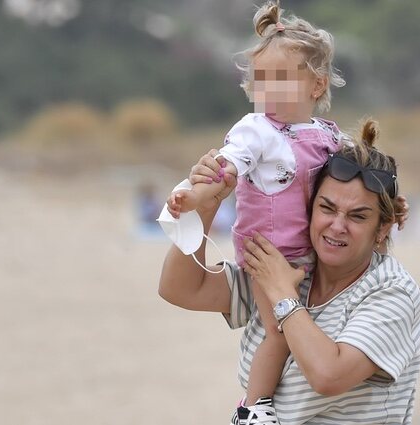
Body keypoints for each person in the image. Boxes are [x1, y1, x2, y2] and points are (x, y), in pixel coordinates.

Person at [159, 120, 420, 424]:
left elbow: (329, 375)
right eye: (326, 208)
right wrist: (207, 205)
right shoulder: (293, 268)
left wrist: (284, 296)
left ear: (382, 229)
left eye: (358, 216)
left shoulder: (392, 293)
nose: (337, 226)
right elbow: (179, 288)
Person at [160, 1, 347, 421]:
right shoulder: (256, 130)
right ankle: (253, 409)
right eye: (261, 81)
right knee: (280, 331)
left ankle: (398, 294)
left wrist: (394, 204)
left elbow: (356, 185)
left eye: (281, 79)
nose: (268, 91)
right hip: (268, 253)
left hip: (311, 249)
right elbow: (225, 167)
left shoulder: (327, 135)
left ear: (316, 86)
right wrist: (193, 196)